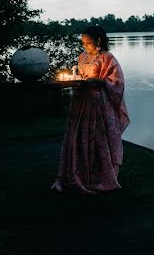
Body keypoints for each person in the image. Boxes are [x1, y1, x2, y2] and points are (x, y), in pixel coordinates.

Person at [51, 25, 130, 194]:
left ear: (98, 41)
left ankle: (99, 177)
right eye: (83, 42)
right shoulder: (82, 57)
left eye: (87, 42)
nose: (84, 45)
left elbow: (118, 83)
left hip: (98, 104)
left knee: (97, 139)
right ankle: (74, 174)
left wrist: (100, 81)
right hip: (81, 103)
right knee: (77, 137)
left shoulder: (107, 58)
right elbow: (80, 76)